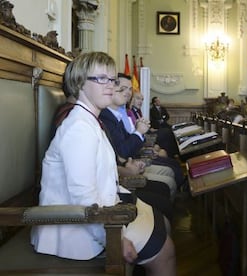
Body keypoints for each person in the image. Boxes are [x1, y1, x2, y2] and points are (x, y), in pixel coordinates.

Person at [31, 52, 176, 276]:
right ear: (80, 83)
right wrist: (114, 239)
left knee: (161, 223)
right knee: (165, 250)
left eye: (112, 79)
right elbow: (83, 198)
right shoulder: (78, 127)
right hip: (74, 230)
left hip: (104, 211)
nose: (110, 85)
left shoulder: (89, 119)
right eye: (100, 79)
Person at [100, 74, 185, 194]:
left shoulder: (116, 114)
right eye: (123, 88)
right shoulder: (106, 116)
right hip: (123, 173)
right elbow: (122, 152)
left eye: (130, 89)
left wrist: (144, 139)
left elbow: (125, 146)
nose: (128, 93)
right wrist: (139, 132)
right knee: (167, 182)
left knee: (171, 167)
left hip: (134, 161)